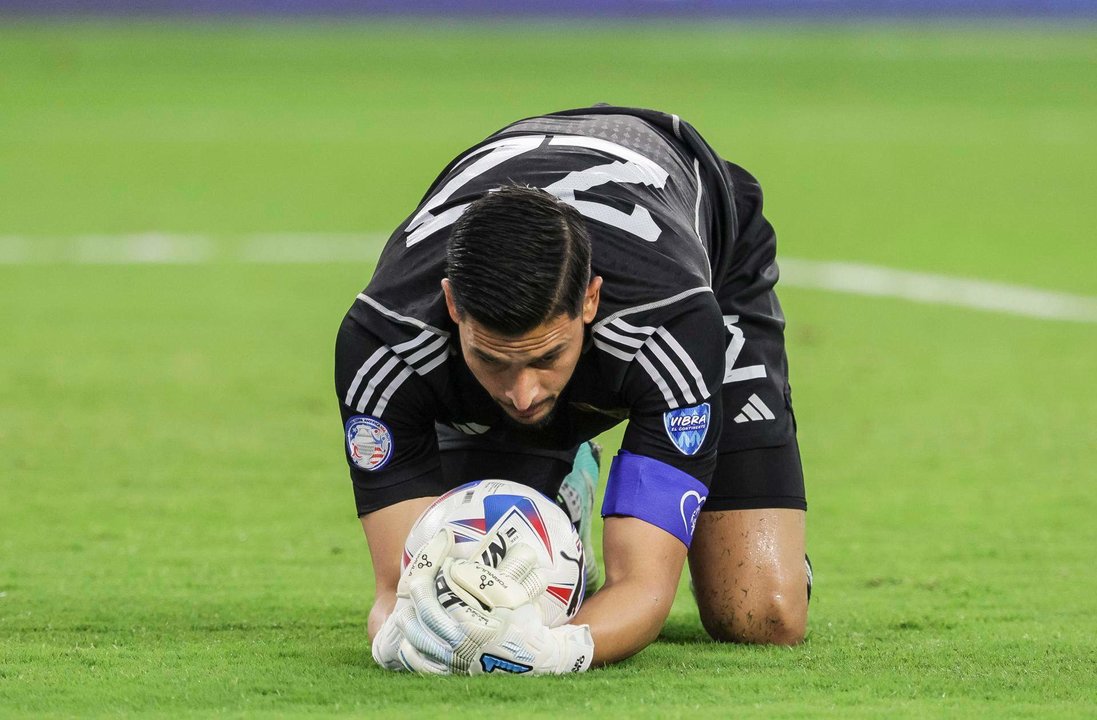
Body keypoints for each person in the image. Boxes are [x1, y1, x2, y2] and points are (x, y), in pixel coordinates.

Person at [334, 105, 809, 675]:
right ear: (453, 307)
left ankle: (565, 479)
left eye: (546, 357)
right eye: (491, 359)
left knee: (762, 613)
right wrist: (404, 637)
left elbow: (643, 589)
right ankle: (565, 487)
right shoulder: (385, 341)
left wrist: (554, 652)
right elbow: (401, 590)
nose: (523, 394)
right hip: (526, 187)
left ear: (590, 301)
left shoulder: (669, 325)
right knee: (463, 581)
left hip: (705, 243)